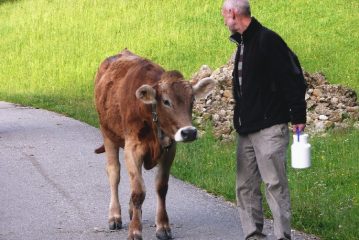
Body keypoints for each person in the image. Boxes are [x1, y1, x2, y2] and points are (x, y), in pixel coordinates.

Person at [221, 0, 307, 240]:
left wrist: (298, 114)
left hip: (270, 126)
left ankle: (282, 236)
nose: (223, 20)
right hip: (246, 129)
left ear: (233, 13)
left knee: (274, 184)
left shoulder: (267, 40)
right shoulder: (243, 44)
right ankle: (253, 234)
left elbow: (292, 77)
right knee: (245, 186)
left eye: (223, 15)